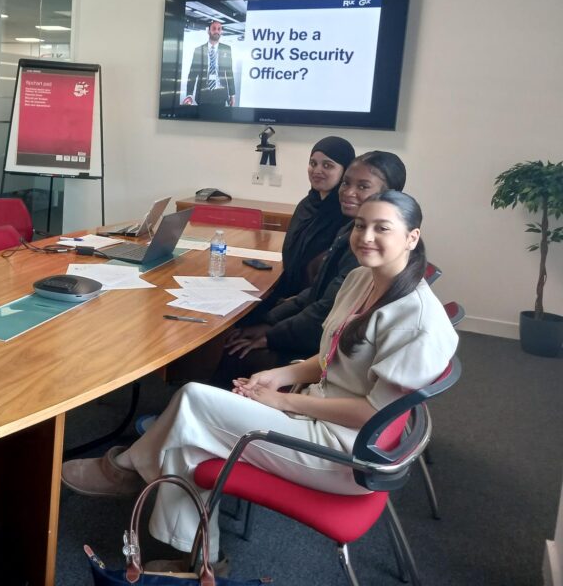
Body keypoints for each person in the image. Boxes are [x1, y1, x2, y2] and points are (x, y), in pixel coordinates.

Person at [61, 190, 458, 568]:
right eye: (359, 226)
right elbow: (331, 355)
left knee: (194, 400)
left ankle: (130, 468)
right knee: (191, 436)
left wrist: (284, 401)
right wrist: (278, 375)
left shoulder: (415, 319)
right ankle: (199, 560)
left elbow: (370, 413)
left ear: (412, 237)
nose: (365, 237)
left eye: (382, 228)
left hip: (344, 454)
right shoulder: (361, 280)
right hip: (318, 413)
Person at [213, 150, 406, 386]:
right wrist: (270, 322)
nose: (348, 192)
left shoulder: (370, 249)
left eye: (363, 186)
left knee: (237, 351)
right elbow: (317, 292)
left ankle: (219, 408)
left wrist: (270, 337)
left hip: (330, 348)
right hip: (322, 332)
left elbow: (326, 312)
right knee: (246, 325)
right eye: (346, 183)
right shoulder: (348, 230)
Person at [268, 135, 356, 302]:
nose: (317, 170)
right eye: (313, 163)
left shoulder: (346, 215)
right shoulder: (306, 205)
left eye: (328, 165)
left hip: (312, 303)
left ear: (345, 171)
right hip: (285, 292)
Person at [183, 19, 235, 107]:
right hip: (203, 95)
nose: (216, 31)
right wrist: (189, 94)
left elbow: (229, 73)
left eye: (219, 29)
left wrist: (232, 95)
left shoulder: (227, 49)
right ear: (208, 31)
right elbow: (192, 73)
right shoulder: (199, 49)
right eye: (214, 28)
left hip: (221, 95)